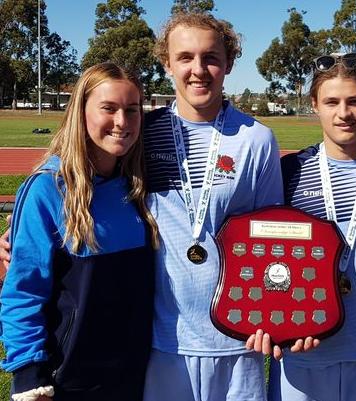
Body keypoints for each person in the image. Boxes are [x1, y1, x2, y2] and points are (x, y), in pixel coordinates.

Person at [140, 12, 283, 401]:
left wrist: (272, 316)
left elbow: (272, 240)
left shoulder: (256, 139)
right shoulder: (143, 133)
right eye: (184, 57)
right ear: (167, 63)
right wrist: (17, 230)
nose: (198, 69)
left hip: (239, 340)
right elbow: (85, 179)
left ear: (229, 63)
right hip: (163, 340)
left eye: (211, 57)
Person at [0, 62, 159, 401]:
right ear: (80, 112)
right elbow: (23, 291)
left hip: (133, 376)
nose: (122, 122)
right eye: (108, 108)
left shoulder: (137, 189)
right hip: (68, 381)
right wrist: (28, 375)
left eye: (132, 110)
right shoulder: (47, 188)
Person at [251, 53, 356, 401]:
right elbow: (263, 259)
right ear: (314, 105)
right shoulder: (289, 172)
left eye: (355, 101)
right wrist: (271, 323)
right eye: (331, 101)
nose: (344, 113)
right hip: (301, 350)